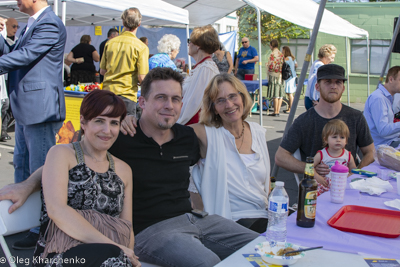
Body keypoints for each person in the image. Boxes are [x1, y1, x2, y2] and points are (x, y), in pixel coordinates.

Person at [0, 68, 258, 267]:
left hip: (197, 219)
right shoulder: (117, 136)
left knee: (262, 247)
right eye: (160, 98)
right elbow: (68, 158)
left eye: (176, 99)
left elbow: (231, 131)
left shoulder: (187, 137)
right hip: (151, 231)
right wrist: (27, 184)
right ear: (142, 102)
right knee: (210, 263)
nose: (169, 105)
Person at [33, 89, 140, 267]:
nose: (107, 130)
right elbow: (56, 210)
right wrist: (114, 246)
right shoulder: (62, 154)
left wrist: (127, 252)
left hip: (110, 257)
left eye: (114, 123)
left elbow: (126, 228)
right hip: (59, 254)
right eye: (99, 121)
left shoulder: (123, 170)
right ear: (83, 121)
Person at [0, 0, 67, 249]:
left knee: (39, 171)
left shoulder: (49, 22)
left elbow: (26, 55)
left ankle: (43, 229)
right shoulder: (34, 23)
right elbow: (14, 55)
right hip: (29, 106)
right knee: (22, 166)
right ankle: (24, 221)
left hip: (40, 108)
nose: (16, 0)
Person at [189, 73, 270, 234]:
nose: (229, 104)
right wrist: (131, 120)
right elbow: (165, 131)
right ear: (213, 108)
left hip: (264, 214)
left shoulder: (258, 132)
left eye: (233, 96)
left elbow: (265, 188)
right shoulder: (207, 133)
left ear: (243, 97)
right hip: (229, 222)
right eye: (220, 100)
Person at [275, 64, 374, 180]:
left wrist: (355, 175)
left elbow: (370, 152)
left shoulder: (356, 117)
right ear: (317, 87)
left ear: (343, 88)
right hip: (317, 188)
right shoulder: (304, 121)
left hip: (348, 186)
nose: (333, 86)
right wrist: (310, 169)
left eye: (338, 82)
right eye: (328, 82)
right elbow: (280, 157)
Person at [100, 8, 149, 117]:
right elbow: (142, 78)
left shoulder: (110, 43)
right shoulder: (141, 47)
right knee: (126, 130)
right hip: (127, 96)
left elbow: (102, 71)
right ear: (139, 23)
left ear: (123, 22)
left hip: (107, 93)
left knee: (107, 129)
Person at [177, 24, 220, 125]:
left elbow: (194, 104)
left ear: (198, 45)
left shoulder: (206, 68)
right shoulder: (203, 67)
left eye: (190, 41)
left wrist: (178, 124)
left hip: (193, 126)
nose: (188, 44)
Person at [313, 119, 356, 196]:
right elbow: (309, 167)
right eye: (334, 137)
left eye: (342, 137)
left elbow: (353, 170)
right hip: (325, 184)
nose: (338, 140)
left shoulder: (348, 155)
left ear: (346, 141)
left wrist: (350, 175)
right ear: (326, 139)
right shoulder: (322, 154)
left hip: (342, 185)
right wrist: (317, 176)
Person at [364, 66, 400, 147]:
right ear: (391, 79)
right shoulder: (378, 98)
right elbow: (383, 130)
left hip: (389, 141)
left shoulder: (389, 97)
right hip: (381, 146)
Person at [0, 18, 19, 141]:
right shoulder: (4, 39)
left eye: (17, 26)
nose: (16, 29)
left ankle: (3, 129)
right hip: (4, 76)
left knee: (6, 104)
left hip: (7, 77)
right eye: (13, 26)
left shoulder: (16, 40)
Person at [304, 44, 337, 110]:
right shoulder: (320, 66)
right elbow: (314, 83)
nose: (332, 60)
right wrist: (315, 100)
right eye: (331, 58)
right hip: (314, 100)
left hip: (311, 98)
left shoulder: (317, 63)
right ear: (325, 56)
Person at [266, 39, 284, 117]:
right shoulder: (281, 54)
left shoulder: (272, 54)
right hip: (281, 75)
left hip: (274, 74)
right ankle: (278, 110)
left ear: (271, 45)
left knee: (275, 93)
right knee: (280, 93)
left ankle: (275, 111)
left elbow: (271, 66)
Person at [282, 46, 297, 113]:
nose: (282, 52)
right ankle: (290, 107)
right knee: (290, 93)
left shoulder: (287, 58)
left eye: (283, 51)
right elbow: (296, 65)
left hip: (289, 77)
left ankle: (291, 108)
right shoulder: (293, 58)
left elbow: (282, 64)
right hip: (293, 76)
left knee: (290, 93)